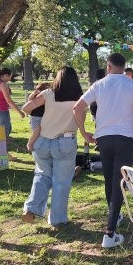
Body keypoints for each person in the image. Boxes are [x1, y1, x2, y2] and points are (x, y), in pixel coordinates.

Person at [72, 53, 133, 248]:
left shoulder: (98, 85)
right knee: (118, 182)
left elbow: (77, 108)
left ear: (108, 66)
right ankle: (109, 233)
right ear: (123, 66)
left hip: (104, 138)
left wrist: (84, 133)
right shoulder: (132, 84)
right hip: (125, 139)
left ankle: (114, 217)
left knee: (110, 179)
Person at [20, 67, 83, 228]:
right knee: (61, 182)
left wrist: (35, 98)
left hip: (42, 141)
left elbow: (26, 108)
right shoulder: (79, 98)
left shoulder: (48, 93)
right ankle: (58, 219)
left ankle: (31, 208)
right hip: (65, 141)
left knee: (42, 176)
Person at [0, 68, 25, 161]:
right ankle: (2, 154)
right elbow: (9, 100)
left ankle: (2, 153)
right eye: (9, 76)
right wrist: (20, 112)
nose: (10, 78)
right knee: (3, 135)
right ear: (5, 75)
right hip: (0, 111)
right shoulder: (3, 84)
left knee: (7, 129)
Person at [25, 82, 51, 152]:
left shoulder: (47, 96)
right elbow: (29, 99)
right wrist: (33, 94)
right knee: (36, 131)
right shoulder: (36, 95)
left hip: (42, 117)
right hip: (35, 117)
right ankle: (30, 143)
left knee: (41, 131)